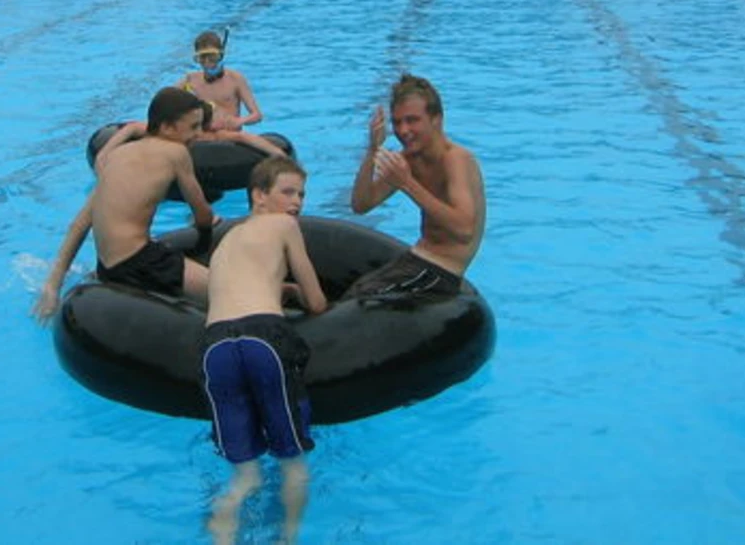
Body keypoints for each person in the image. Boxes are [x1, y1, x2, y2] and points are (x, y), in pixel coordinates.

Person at [201, 156, 327, 545]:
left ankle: (223, 537)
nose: (297, 203)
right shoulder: (285, 225)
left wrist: (277, 287)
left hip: (216, 345)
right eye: (288, 192)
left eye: (301, 194)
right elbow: (317, 302)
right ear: (258, 195)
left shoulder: (225, 241)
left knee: (245, 475)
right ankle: (287, 538)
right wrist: (294, 293)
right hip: (265, 338)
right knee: (292, 462)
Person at [31, 88, 220, 321]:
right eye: (193, 127)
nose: (199, 134)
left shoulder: (117, 155)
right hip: (141, 261)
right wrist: (205, 234)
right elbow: (202, 212)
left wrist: (52, 285)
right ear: (167, 128)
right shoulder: (176, 152)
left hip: (107, 268)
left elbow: (79, 224)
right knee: (229, 290)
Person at [346, 74, 486, 299]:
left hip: (443, 271)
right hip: (417, 258)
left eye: (412, 120)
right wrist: (372, 149)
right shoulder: (410, 160)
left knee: (361, 301)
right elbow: (361, 205)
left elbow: (464, 230)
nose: (403, 130)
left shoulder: (455, 160)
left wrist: (408, 184)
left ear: (436, 119)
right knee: (351, 293)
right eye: (397, 122)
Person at [182, 30, 286, 158]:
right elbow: (165, 101)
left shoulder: (235, 79)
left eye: (212, 57)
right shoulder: (190, 80)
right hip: (202, 135)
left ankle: (281, 156)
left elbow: (257, 115)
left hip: (228, 135)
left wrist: (239, 121)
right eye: (202, 58)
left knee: (242, 137)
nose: (208, 63)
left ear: (221, 55)